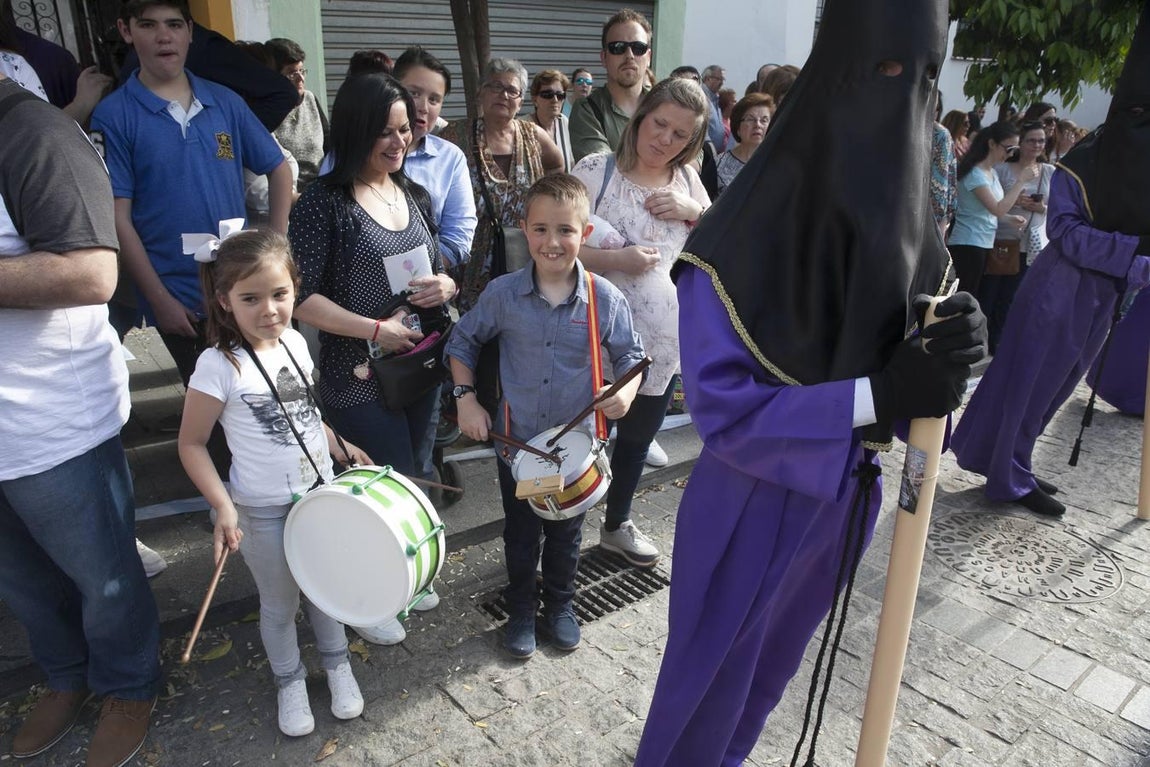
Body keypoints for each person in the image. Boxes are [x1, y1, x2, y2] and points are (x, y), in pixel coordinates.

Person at [633, 0, 985, 762]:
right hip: (748, 501)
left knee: (767, 678)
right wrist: (879, 397)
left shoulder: (910, 229)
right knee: (706, 685)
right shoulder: (734, 240)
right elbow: (726, 417)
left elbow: (920, 387)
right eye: (887, 72)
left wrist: (953, 358)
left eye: (926, 80)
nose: (906, 100)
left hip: (845, 496)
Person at [0, 70, 161, 767]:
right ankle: (64, 677)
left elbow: (94, 272)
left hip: (51, 422)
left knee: (104, 577)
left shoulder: (34, 132)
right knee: (22, 582)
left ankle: (129, 684)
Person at [952, 3, 1150, 519]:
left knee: (1057, 385)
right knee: (1028, 380)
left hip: (1103, 294)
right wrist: (1135, 251)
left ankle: (1008, 459)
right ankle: (1007, 475)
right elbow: (1066, 232)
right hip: (1061, 286)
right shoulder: (1083, 165)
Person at [446, 174, 647, 659]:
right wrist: (465, 398)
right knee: (520, 533)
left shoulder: (605, 299)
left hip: (575, 450)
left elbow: (631, 358)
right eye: (540, 229)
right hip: (519, 447)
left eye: (565, 230)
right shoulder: (502, 295)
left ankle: (560, 605)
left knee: (566, 534)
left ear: (586, 234)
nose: (552, 242)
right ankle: (519, 609)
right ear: (524, 230)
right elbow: (462, 341)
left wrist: (625, 394)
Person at [178, 229, 367, 737]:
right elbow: (191, 443)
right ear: (224, 300)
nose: (269, 310)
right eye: (250, 298)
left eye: (280, 294)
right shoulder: (217, 365)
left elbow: (305, 416)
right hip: (261, 509)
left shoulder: (299, 343)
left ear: (295, 290)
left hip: (320, 495)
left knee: (326, 589)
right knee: (280, 603)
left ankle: (337, 663)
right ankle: (289, 680)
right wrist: (223, 505)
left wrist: (339, 446)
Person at [289, 72, 454, 645]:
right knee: (380, 485)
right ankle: (371, 595)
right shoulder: (323, 203)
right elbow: (300, 297)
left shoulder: (410, 192)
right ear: (355, 131)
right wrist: (374, 329)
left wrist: (447, 288)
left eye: (405, 130)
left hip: (419, 364)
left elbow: (436, 264)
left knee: (418, 471)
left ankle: (408, 571)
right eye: (383, 132)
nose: (397, 142)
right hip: (356, 372)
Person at [91, 0, 293, 391]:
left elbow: (279, 169)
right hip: (178, 297)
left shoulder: (225, 102)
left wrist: (277, 247)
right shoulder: (114, 115)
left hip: (243, 286)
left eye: (174, 25)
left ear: (190, 31)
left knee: (269, 394)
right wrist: (158, 299)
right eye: (148, 25)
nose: (164, 36)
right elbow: (118, 216)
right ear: (126, 30)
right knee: (214, 407)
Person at [572, 77, 711, 568]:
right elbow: (554, 247)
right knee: (579, 439)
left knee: (635, 442)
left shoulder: (689, 180)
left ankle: (616, 525)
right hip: (589, 341)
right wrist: (618, 260)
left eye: (680, 135)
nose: (665, 141)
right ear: (640, 116)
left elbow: (716, 248)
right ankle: (560, 533)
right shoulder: (596, 171)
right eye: (659, 124)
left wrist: (695, 211)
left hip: (659, 345)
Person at [439, 58, 563, 310]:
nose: (503, 95)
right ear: (480, 94)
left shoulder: (533, 136)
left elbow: (558, 166)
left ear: (520, 100)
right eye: (495, 87)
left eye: (512, 90)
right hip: (472, 260)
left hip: (522, 252)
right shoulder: (456, 135)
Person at [979, 121, 1054, 352]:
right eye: (1031, 140)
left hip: (1029, 243)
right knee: (989, 292)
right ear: (1020, 143)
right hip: (1001, 239)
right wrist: (1016, 201)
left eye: (1041, 140)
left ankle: (998, 339)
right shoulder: (1002, 169)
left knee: (1011, 295)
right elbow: (993, 204)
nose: (1037, 145)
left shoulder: (1050, 171)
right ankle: (981, 337)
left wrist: (1039, 208)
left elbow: (1059, 209)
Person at [946, 120, 1034, 298]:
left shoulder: (991, 172)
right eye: (1008, 149)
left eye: (1014, 150)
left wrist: (1010, 219)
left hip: (983, 241)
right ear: (992, 144)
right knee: (962, 297)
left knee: (970, 296)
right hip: (968, 242)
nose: (1010, 154)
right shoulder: (975, 173)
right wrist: (1021, 181)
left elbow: (991, 211)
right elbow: (997, 209)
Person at [569, 8, 652, 162]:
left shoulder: (664, 103)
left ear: (648, 57)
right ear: (604, 58)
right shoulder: (588, 109)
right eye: (618, 47)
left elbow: (693, 155)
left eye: (638, 47)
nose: (629, 55)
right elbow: (602, 170)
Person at [267, 37, 329, 191]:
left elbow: (329, 143)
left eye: (301, 71)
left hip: (323, 186)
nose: (300, 78)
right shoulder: (267, 110)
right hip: (290, 193)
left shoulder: (310, 99)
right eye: (292, 73)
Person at [715, 92, 774, 195]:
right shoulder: (718, 165)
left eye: (764, 120)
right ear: (738, 128)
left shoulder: (779, 165)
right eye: (750, 119)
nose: (758, 125)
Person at [530, 68, 575, 171]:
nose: (555, 100)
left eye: (560, 95)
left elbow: (571, 163)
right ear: (535, 99)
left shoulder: (564, 122)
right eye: (548, 95)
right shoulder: (524, 126)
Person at [700, 64, 731, 151]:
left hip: (715, 152)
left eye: (723, 80)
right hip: (704, 151)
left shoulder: (716, 98)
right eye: (718, 79)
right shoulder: (700, 96)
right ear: (707, 78)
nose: (722, 83)